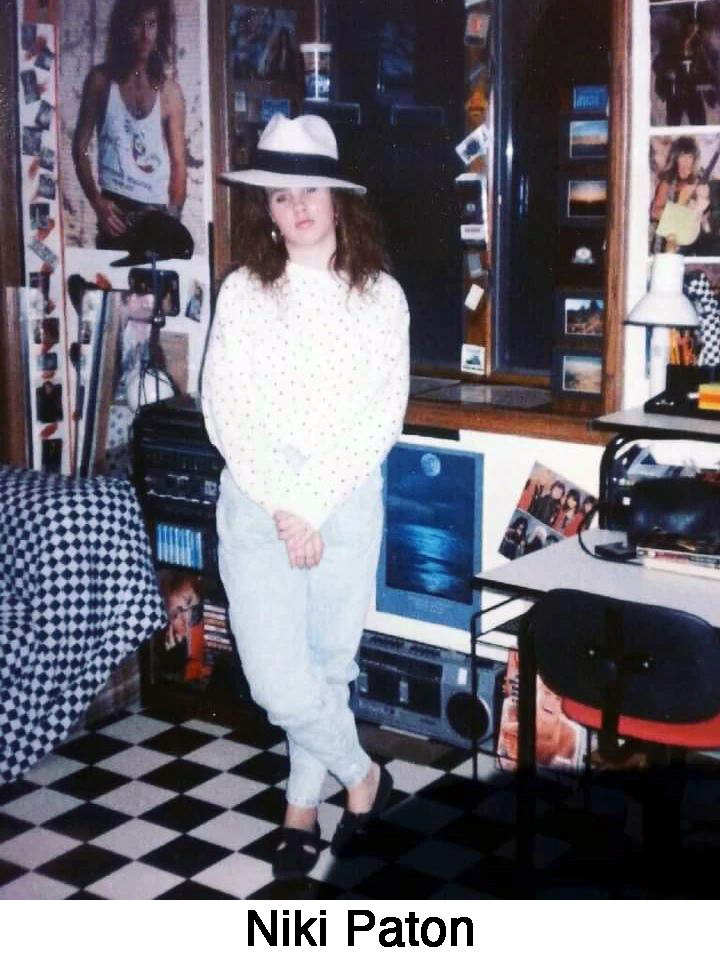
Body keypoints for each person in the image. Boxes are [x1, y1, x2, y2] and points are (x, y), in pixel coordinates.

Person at [201, 113, 409, 879]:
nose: (296, 208)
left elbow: (380, 415)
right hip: (257, 504)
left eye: (309, 190)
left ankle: (300, 803)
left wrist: (313, 507)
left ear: (337, 199)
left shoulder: (380, 297)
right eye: (280, 195)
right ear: (268, 207)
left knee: (328, 665)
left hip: (345, 500)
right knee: (275, 679)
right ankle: (362, 775)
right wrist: (288, 507)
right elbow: (225, 406)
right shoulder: (245, 292)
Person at [72, 0, 186, 249]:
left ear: (160, 30)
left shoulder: (170, 92)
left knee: (154, 284)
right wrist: (96, 202)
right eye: (137, 24)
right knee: (112, 284)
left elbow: (179, 164)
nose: (145, 35)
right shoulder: (101, 81)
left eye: (152, 24)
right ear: (123, 28)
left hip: (155, 212)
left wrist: (172, 220)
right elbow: (80, 148)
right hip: (115, 210)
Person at [653, 14, 719, 126]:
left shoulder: (701, 46)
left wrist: (709, 85)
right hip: (675, 91)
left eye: (696, 29)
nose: (693, 32)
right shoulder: (670, 44)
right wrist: (667, 73)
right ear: (685, 28)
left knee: (699, 123)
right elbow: (657, 64)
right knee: (673, 124)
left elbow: (710, 68)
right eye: (690, 28)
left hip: (694, 92)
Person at [650, 135, 710, 253]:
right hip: (664, 241)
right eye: (682, 156)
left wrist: (702, 202)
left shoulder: (700, 183)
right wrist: (682, 208)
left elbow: (705, 223)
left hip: (690, 242)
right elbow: (655, 212)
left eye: (690, 157)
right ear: (676, 157)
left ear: (694, 159)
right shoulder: (667, 181)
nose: (686, 161)